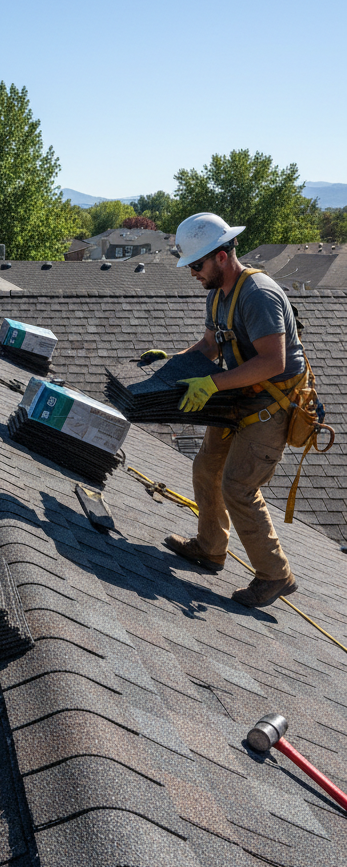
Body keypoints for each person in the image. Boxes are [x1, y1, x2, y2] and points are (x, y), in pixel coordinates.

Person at [161, 213, 305, 608]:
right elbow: (210, 345)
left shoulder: (257, 294)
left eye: (196, 264)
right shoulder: (218, 292)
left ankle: (275, 576)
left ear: (222, 256)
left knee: (238, 487)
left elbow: (273, 362)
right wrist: (171, 362)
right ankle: (210, 548)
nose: (192, 272)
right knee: (206, 468)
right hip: (238, 398)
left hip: (270, 406)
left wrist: (211, 384)